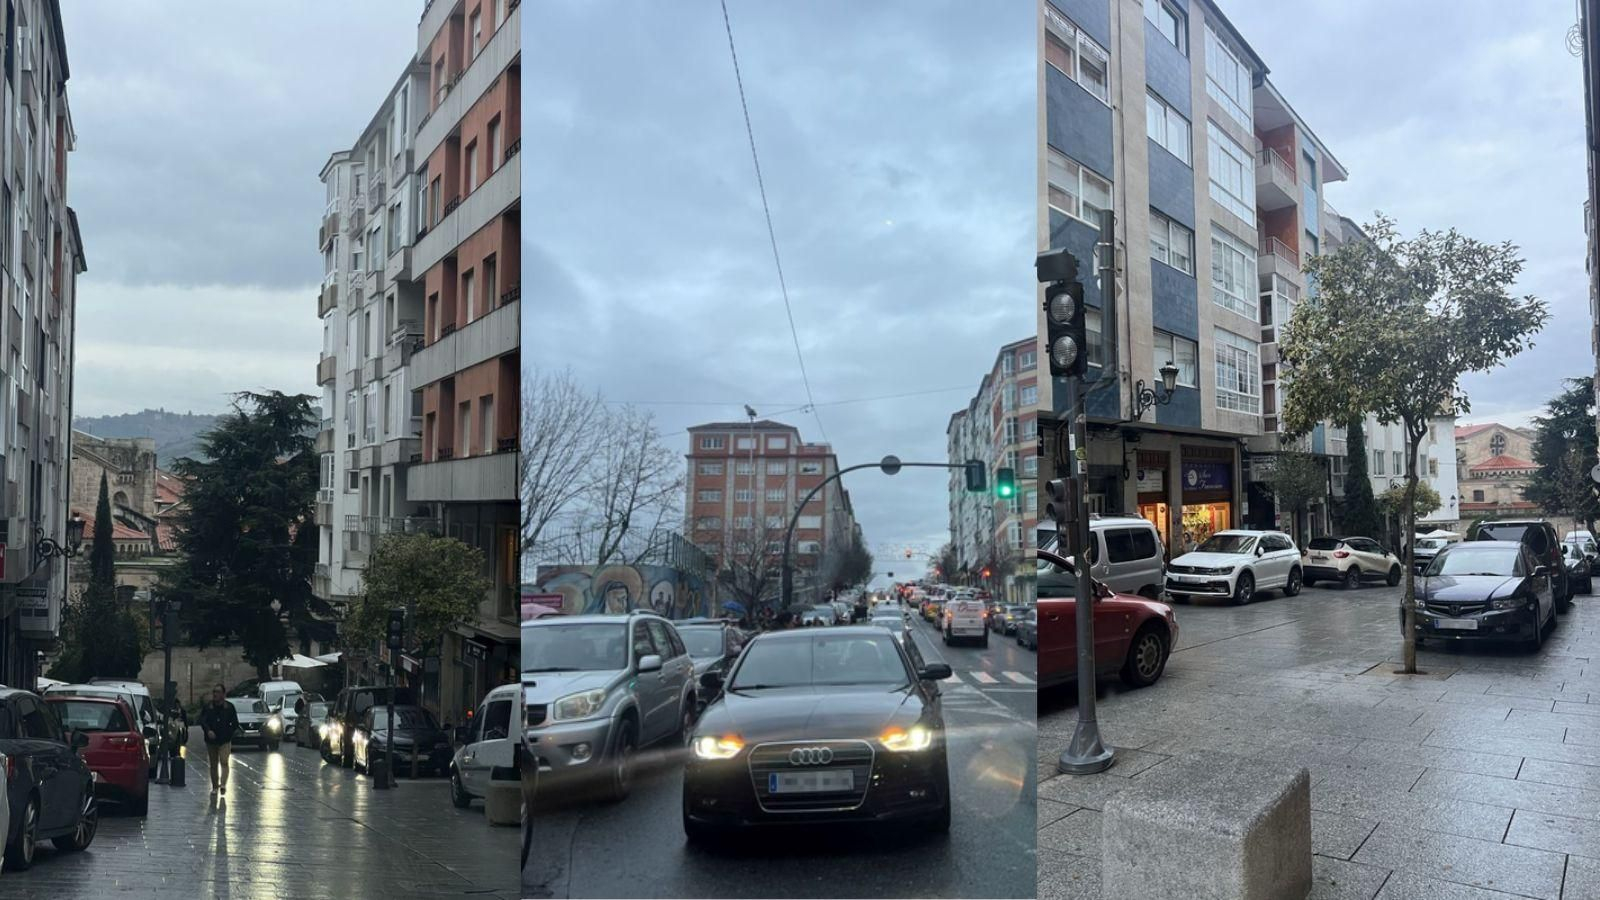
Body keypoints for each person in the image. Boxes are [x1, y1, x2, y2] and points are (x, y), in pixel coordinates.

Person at [198, 684, 240, 796]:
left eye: (217, 692)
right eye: (214, 692)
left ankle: (223, 785)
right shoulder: (208, 707)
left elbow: (235, 723)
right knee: (213, 764)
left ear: (223, 694)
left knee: (224, 761)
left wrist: (228, 733)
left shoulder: (229, 707)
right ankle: (215, 786)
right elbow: (203, 721)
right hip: (211, 741)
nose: (215, 694)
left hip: (225, 740)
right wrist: (208, 731)